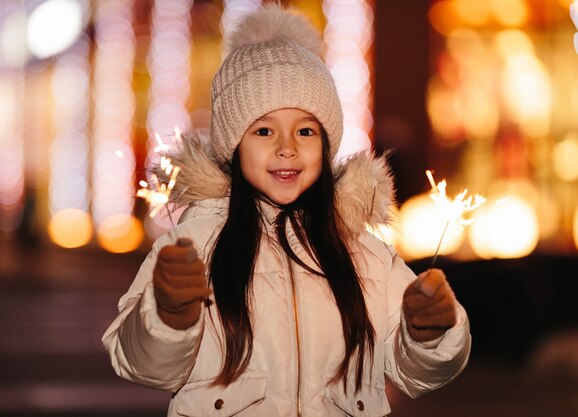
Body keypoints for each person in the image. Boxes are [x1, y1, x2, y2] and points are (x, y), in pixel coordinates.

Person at [102, 4, 471, 416]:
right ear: (233, 144)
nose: (287, 147)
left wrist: (430, 334)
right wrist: (168, 314)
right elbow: (140, 363)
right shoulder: (194, 244)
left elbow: (416, 372)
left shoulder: (365, 254)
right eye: (263, 130)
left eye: (306, 130)